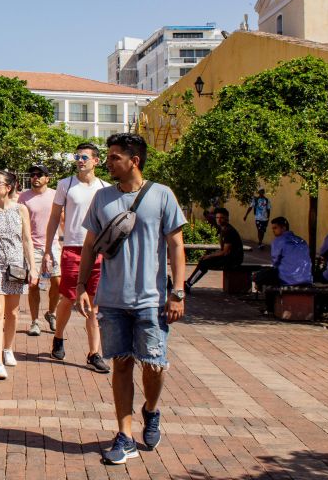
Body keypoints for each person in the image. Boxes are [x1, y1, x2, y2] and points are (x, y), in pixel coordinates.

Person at [77, 133, 187, 465]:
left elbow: (176, 246)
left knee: (154, 365)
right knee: (121, 364)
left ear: (133, 161)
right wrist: (84, 286)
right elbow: (89, 246)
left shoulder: (162, 195)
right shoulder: (102, 198)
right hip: (112, 299)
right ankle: (124, 435)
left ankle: (151, 410)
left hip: (152, 300)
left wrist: (178, 292)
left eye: (113, 157)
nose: (107, 162)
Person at [43, 142, 110, 372]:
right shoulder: (66, 184)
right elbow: (53, 218)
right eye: (77, 156)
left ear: (96, 161)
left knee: (94, 303)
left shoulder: (105, 188)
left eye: (84, 157)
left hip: (98, 250)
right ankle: (58, 337)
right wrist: (47, 249)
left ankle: (94, 353)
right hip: (72, 247)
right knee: (69, 297)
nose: (80, 160)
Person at [0, 170, 38, 380]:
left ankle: (8, 349)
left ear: (8, 187)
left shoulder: (20, 209)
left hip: (16, 267)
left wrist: (33, 267)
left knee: (14, 313)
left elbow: (27, 239)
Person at [18, 164, 62, 336]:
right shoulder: (24, 197)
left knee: (58, 283)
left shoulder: (55, 195)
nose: (35, 177)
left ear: (47, 178)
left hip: (53, 246)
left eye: (39, 175)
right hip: (32, 246)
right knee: (33, 284)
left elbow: (62, 218)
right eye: (33, 175)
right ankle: (35, 321)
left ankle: (51, 313)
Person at [254, 217, 312, 312]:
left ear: (284, 228)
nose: (273, 231)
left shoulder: (278, 241)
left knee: (265, 276)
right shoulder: (301, 240)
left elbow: (275, 262)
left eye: (275, 228)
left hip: (288, 278)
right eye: (272, 228)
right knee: (268, 275)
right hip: (306, 278)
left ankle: (270, 308)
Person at [184, 207, 244, 292]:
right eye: (217, 218)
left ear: (227, 218)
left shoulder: (228, 231)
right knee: (204, 261)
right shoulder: (223, 229)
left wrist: (209, 256)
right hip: (228, 257)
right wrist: (208, 256)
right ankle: (189, 283)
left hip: (234, 260)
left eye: (221, 218)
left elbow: (225, 252)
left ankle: (188, 284)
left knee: (205, 262)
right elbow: (222, 249)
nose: (219, 220)